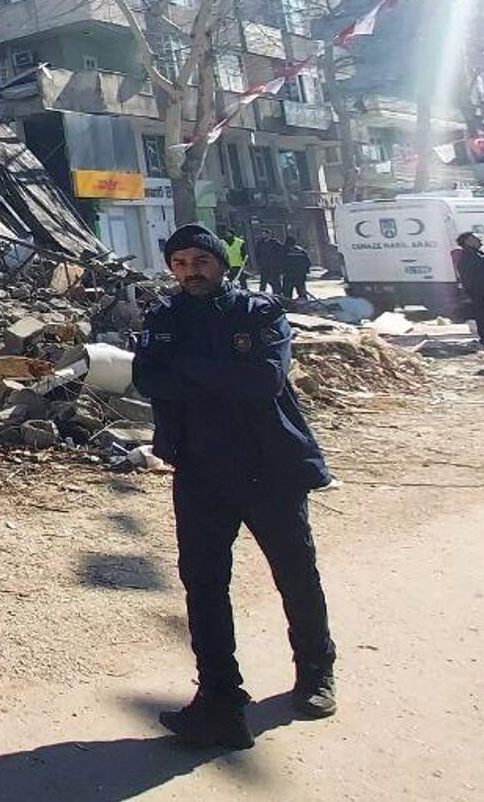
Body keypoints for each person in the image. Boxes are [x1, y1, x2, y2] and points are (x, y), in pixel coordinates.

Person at [133, 224, 336, 751]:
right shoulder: (163, 317)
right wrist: (220, 373)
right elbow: (148, 379)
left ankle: (316, 672)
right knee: (203, 584)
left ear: (221, 264)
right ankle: (220, 700)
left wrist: (184, 368)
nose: (190, 272)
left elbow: (263, 380)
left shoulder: (259, 311)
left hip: (268, 466)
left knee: (295, 572)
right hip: (199, 470)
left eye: (200, 261)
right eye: (180, 263)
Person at [281, 234, 312, 303]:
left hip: (289, 275)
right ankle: (304, 303)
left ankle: (287, 304)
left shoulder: (285, 251)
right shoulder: (301, 250)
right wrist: (306, 271)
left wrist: (282, 271)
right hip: (300, 275)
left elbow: (281, 262)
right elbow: (308, 262)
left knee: (287, 293)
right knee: (301, 291)